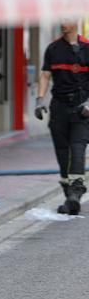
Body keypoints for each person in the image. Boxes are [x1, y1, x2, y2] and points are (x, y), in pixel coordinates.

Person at [34, 19, 89, 215]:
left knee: (78, 148)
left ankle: (75, 192)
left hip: (82, 110)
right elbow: (45, 75)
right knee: (62, 151)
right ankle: (69, 195)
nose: (62, 23)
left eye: (66, 19)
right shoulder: (53, 49)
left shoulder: (87, 48)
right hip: (59, 108)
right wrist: (39, 100)